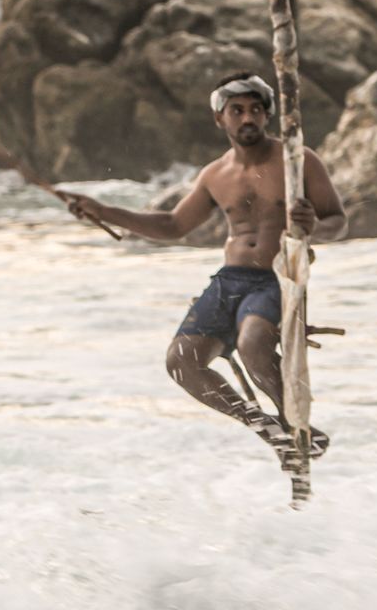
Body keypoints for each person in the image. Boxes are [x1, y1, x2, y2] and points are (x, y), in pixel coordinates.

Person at [56, 74, 347, 475]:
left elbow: (339, 223)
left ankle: (297, 427)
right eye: (237, 111)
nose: (248, 118)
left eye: (256, 110)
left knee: (253, 345)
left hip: (276, 278)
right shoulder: (215, 174)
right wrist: (104, 212)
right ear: (219, 119)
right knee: (181, 361)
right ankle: (265, 427)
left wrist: (312, 224)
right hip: (230, 280)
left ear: (266, 115)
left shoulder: (297, 161)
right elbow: (173, 226)